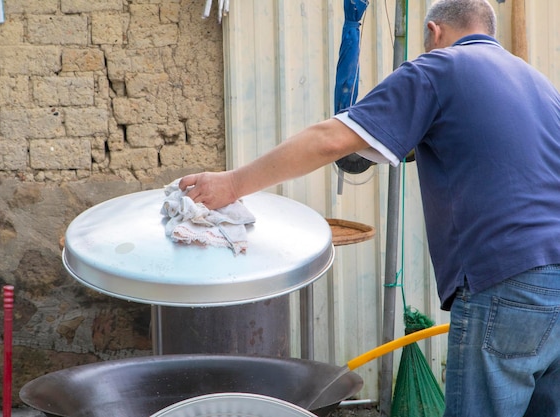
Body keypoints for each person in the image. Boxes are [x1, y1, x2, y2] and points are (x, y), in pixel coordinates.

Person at [179, 0, 560, 415]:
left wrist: (232, 183)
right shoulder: (539, 84)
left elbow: (331, 140)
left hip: (507, 279)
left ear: (434, 33)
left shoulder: (438, 69)